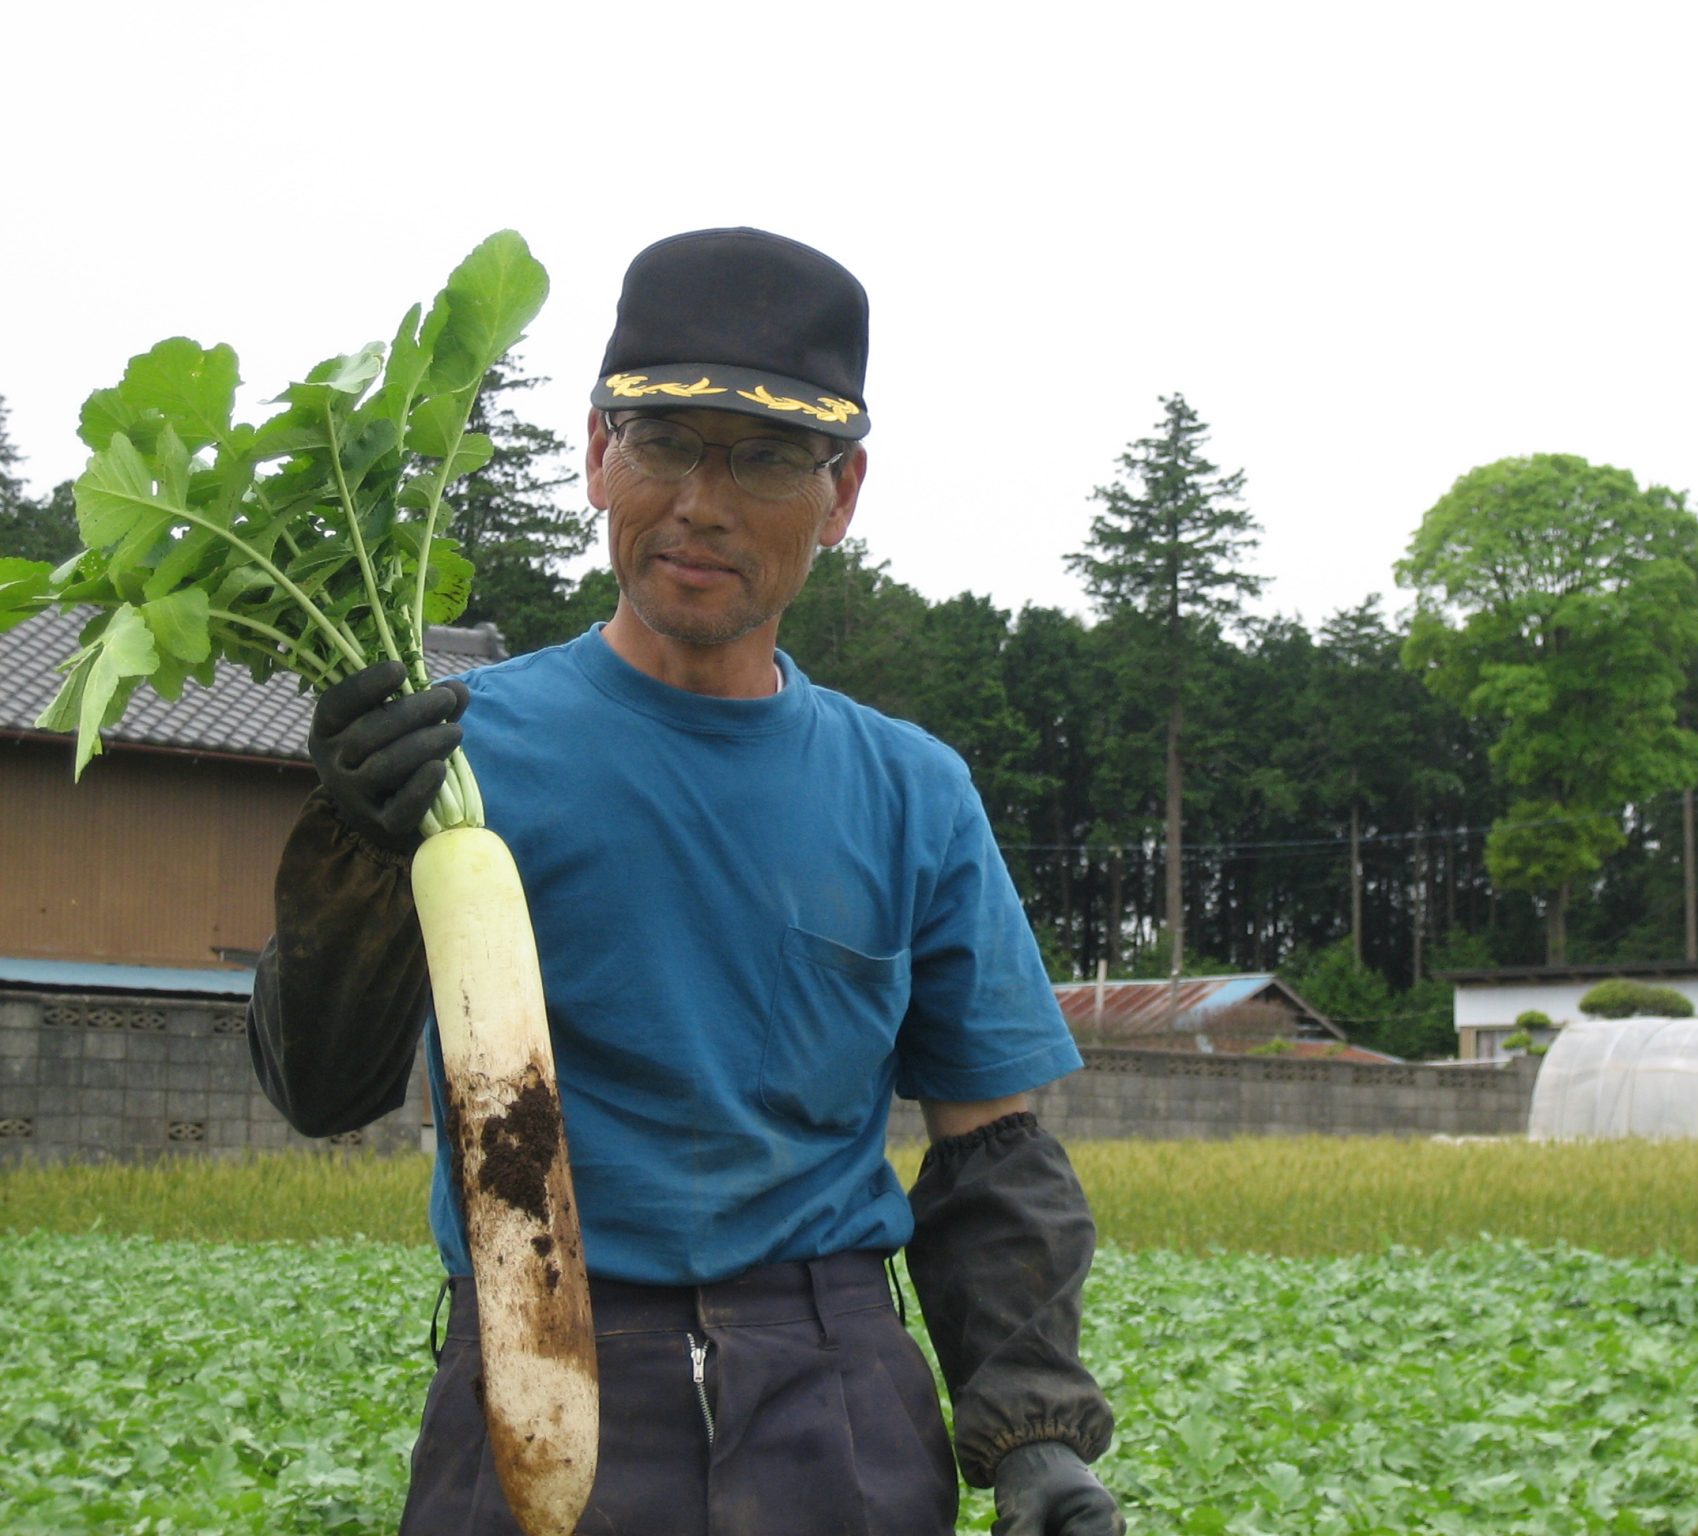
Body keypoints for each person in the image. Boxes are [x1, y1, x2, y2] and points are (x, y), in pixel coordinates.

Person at [248, 228, 1124, 1536]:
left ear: (844, 493)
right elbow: (320, 1092)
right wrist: (354, 865)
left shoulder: (911, 791)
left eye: (769, 457)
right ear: (600, 456)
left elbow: (994, 1156)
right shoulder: (450, 754)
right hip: (534, 1386)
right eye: (663, 441)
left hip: (834, 1403)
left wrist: (1038, 1430)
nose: (703, 502)